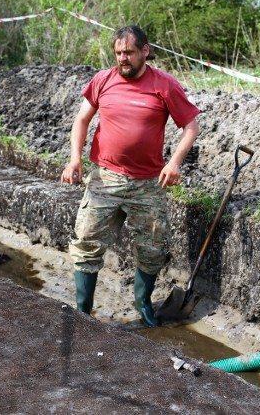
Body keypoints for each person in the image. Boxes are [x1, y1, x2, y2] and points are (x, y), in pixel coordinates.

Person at [60, 26, 200, 327]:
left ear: (145, 51)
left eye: (129, 53)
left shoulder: (164, 85)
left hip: (148, 183)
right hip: (105, 178)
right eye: (119, 53)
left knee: (152, 247)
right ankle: (82, 311)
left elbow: (190, 126)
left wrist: (174, 163)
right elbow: (81, 120)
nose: (123, 58)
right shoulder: (103, 80)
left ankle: (143, 303)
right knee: (86, 241)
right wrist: (75, 159)